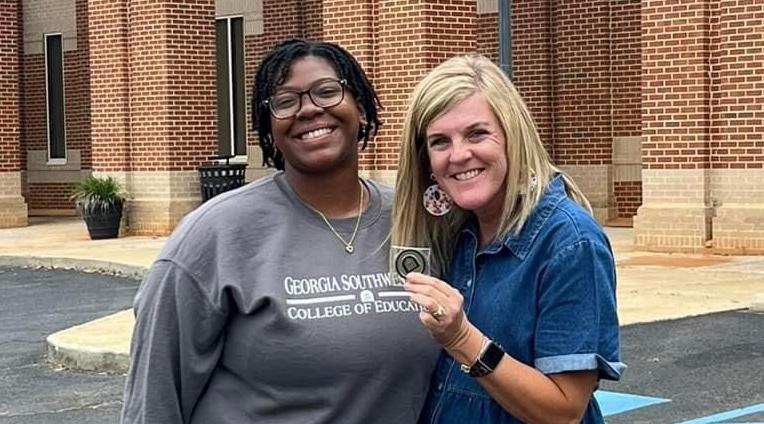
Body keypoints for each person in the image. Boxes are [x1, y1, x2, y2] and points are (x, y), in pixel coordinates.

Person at [121, 39, 440, 424]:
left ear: (360, 107)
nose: (309, 109)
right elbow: (154, 396)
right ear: (269, 129)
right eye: (285, 101)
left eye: (327, 91)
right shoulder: (215, 234)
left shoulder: (413, 219)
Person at [392, 54, 625, 424]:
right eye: (439, 141)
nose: (459, 155)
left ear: (512, 136)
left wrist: (461, 338)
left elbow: (563, 411)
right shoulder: (453, 231)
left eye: (476, 133)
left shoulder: (570, 241)